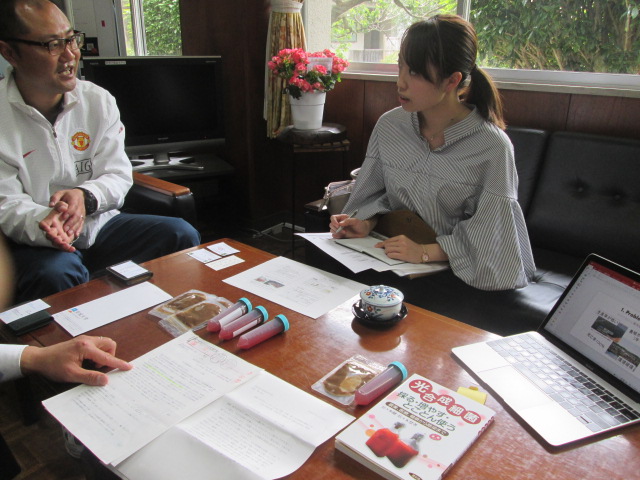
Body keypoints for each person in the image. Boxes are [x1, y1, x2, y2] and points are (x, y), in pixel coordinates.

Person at [0, 0, 200, 305]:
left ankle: (161, 321)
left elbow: (117, 174)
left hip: (99, 226)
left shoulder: (97, 100)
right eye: (53, 45)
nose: (70, 55)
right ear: (10, 53)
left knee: (180, 234)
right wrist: (48, 222)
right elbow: (7, 203)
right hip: (37, 240)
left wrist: (86, 197)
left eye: (71, 39)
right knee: (58, 272)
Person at [330, 14, 535, 291]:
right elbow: (374, 192)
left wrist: (426, 252)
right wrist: (365, 221)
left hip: (458, 276)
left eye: (414, 72)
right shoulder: (390, 125)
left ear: (452, 81)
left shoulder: (493, 147)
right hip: (388, 258)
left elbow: (493, 235)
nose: (400, 82)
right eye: (400, 66)